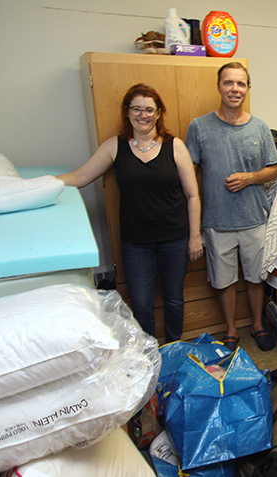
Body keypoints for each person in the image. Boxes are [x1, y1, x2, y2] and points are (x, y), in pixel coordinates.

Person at [58, 83, 203, 343]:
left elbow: (193, 195)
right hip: (136, 244)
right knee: (141, 304)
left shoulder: (175, 146)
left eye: (149, 109)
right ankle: (148, 354)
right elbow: (80, 177)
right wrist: (39, 183)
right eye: (136, 109)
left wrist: (194, 237)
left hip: (174, 239)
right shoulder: (115, 146)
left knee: (173, 299)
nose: (143, 115)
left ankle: (173, 348)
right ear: (127, 112)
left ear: (159, 113)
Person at [186, 62, 277, 352]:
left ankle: (257, 324)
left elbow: (274, 169)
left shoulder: (260, 127)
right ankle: (230, 329)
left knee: (255, 278)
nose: (234, 89)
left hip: (254, 219)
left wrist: (251, 178)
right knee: (224, 281)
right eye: (228, 83)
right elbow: (189, 173)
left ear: (247, 88)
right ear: (219, 86)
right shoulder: (199, 127)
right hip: (217, 221)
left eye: (240, 84)